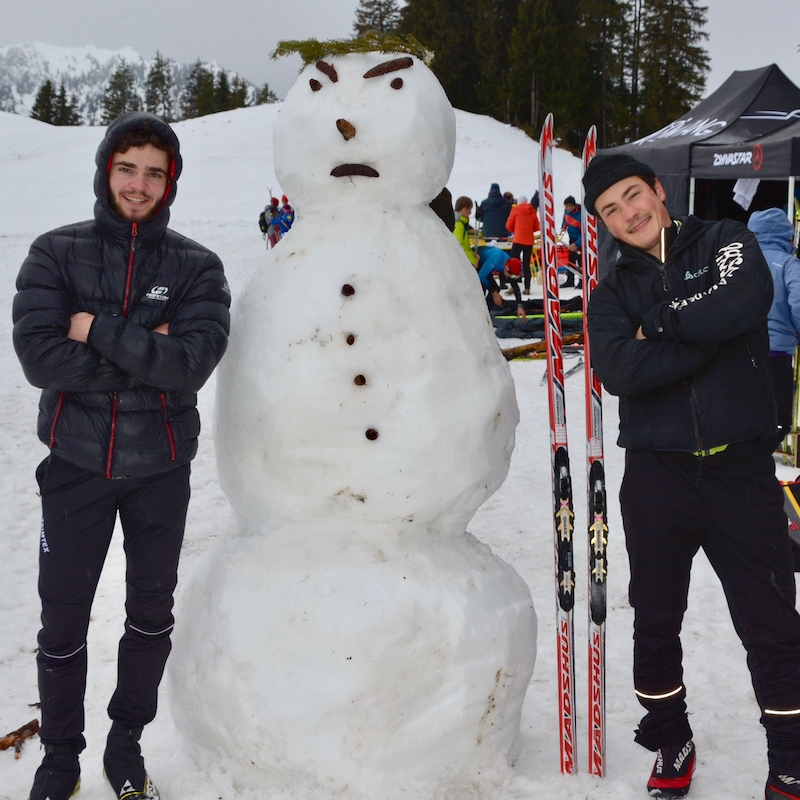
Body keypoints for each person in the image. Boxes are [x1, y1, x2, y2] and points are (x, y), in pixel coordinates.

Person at [12, 111, 231, 800]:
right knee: (62, 619)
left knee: (149, 616)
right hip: (76, 464)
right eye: (127, 168)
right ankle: (58, 755)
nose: (139, 184)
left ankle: (126, 742)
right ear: (106, 169)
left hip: (160, 469)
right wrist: (145, 351)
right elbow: (39, 355)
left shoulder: (198, 266)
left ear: (171, 183)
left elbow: (191, 365)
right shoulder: (55, 253)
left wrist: (95, 329)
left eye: (154, 173)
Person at [584, 153, 800, 800]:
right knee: (654, 617)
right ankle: (670, 734)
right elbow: (619, 370)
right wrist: (708, 330)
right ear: (603, 223)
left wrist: (665, 325)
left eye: (633, 195)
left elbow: (745, 300)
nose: (629, 214)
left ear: (657, 188)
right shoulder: (611, 291)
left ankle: (790, 752)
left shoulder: (726, 241)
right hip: (656, 474)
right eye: (611, 210)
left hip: (740, 470)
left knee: (771, 621)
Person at [748, 208, 800, 453]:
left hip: (738, 355)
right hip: (776, 354)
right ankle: (754, 467)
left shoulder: (738, 263)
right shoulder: (789, 264)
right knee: (779, 422)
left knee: (743, 421)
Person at [505, 194, 540, 296]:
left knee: (514, 264)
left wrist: (516, 230)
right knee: (526, 264)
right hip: (529, 241)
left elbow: (508, 225)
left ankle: (513, 286)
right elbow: (536, 226)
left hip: (518, 239)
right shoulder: (532, 210)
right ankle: (527, 288)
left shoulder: (515, 210)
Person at [560, 195, 582, 287]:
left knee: (581, 261)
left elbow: (585, 232)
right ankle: (570, 280)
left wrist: (577, 244)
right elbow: (565, 218)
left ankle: (582, 281)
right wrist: (563, 227)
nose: (565, 208)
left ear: (572, 206)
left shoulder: (581, 215)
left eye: (567, 206)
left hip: (580, 240)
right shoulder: (567, 211)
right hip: (571, 237)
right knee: (570, 259)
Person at [453, 196, 478, 267]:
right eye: (470, 209)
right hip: (459, 262)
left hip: (462, 259)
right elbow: (459, 245)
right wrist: (473, 260)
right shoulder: (458, 224)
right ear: (465, 208)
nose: (470, 213)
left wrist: (473, 255)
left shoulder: (461, 223)